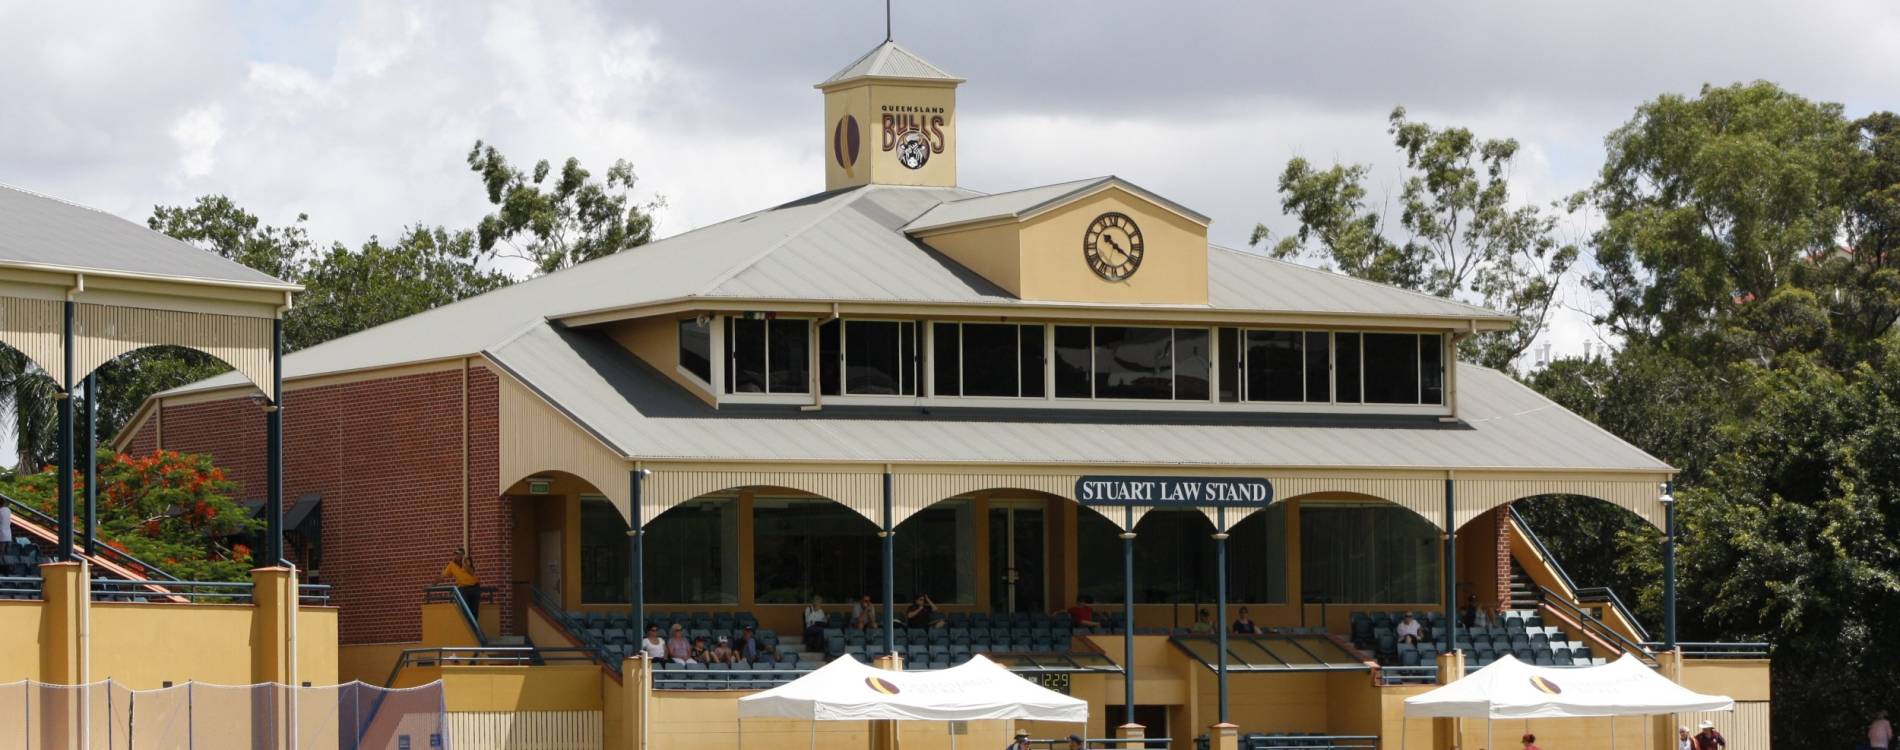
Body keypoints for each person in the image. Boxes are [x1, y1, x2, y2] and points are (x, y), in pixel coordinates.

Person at [437, 548, 481, 620]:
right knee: (466, 607)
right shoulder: (452, 565)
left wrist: (464, 564)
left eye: (459, 554)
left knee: (474, 610)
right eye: (456, 554)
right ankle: (469, 624)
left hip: (474, 587)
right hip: (463, 588)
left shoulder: (467, 561)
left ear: (463, 555)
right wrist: (434, 582)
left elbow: (472, 572)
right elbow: (443, 575)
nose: (457, 556)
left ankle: (474, 628)